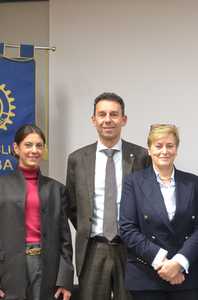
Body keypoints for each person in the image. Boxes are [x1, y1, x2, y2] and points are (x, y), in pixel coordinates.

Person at [65, 92, 152, 300]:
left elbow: (149, 204)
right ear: (94, 120)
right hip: (93, 249)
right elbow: (72, 206)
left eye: (114, 114)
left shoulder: (142, 157)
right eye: (102, 114)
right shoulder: (77, 159)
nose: (108, 120)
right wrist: (91, 229)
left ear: (124, 120)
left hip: (131, 249)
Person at [0, 124, 73, 300]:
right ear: (16, 148)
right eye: (28, 145)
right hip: (7, 269)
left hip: (48, 269)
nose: (34, 151)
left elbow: (65, 241)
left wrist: (65, 279)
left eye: (39, 145)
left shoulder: (57, 189)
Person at [120, 124, 198, 300]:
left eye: (170, 146)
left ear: (176, 150)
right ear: (150, 150)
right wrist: (165, 263)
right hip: (146, 276)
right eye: (158, 146)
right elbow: (127, 229)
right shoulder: (133, 182)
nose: (164, 151)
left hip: (186, 277)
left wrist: (179, 263)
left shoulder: (193, 182)